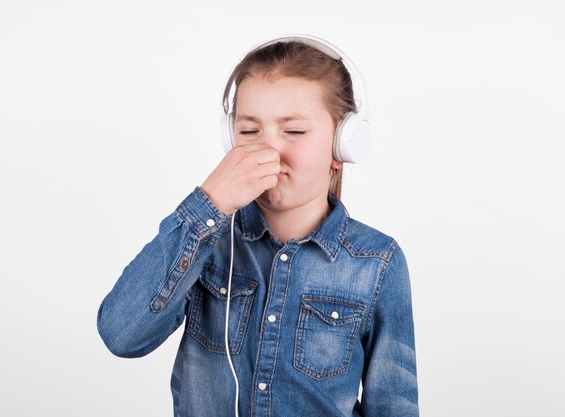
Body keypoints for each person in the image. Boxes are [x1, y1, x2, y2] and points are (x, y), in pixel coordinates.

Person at [97, 34, 419, 417]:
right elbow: (122, 334)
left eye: (294, 131)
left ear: (342, 147)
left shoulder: (377, 261)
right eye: (249, 132)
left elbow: (394, 406)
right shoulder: (208, 243)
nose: (268, 151)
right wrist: (209, 203)